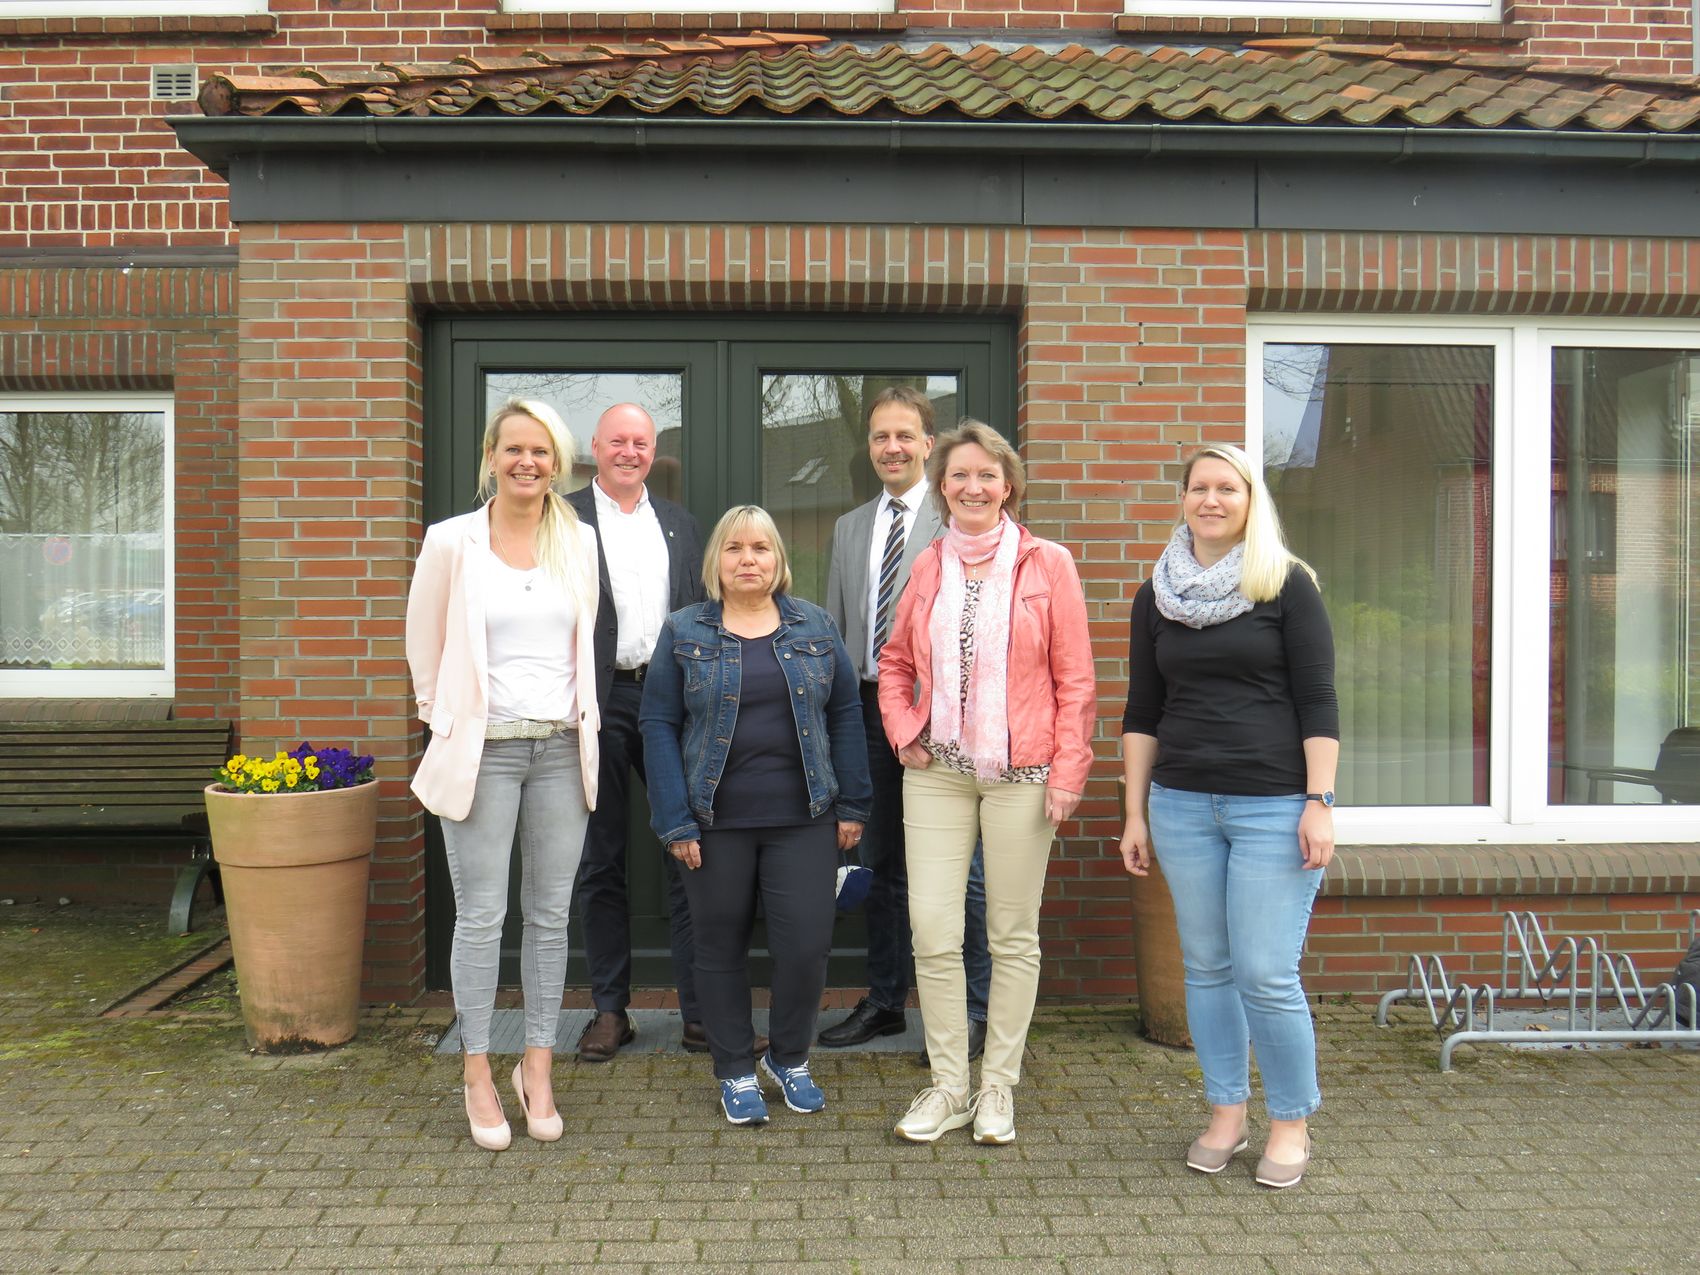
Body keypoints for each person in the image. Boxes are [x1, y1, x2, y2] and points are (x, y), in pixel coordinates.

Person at [1116, 442, 1338, 1190]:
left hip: (1273, 805)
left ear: (1251, 500)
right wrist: (1135, 815)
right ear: (1182, 497)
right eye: (1198, 487)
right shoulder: (1158, 593)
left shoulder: (1285, 583)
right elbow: (1142, 712)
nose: (1211, 499)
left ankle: (1291, 1122)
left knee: (1266, 971)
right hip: (1181, 805)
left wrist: (1319, 801)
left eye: (1227, 488)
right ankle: (1225, 1112)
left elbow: (1319, 701)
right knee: (1207, 969)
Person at [878, 422, 1095, 1145]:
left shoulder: (1049, 564)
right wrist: (903, 731)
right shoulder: (929, 564)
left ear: (1009, 484)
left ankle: (997, 1085)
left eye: (988, 475)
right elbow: (896, 662)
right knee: (934, 930)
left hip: (1024, 776)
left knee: (1011, 934)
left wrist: (1068, 770)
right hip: (937, 772)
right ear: (942, 485)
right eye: (960, 475)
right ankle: (949, 1085)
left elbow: (1076, 680)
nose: (973, 486)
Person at [406, 398, 601, 1151]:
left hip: (557, 749)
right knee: (482, 916)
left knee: (550, 917)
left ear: (558, 463)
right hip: (482, 752)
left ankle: (538, 1066)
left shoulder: (577, 540)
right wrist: (443, 719)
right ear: (491, 456)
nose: (528, 462)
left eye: (542, 451)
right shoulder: (452, 541)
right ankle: (477, 1071)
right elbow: (423, 642)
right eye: (514, 449)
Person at [639, 506, 872, 1125]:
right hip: (714, 821)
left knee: (805, 947)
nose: (749, 559)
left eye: (761, 548)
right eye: (735, 548)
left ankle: (789, 1057)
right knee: (717, 948)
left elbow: (847, 713)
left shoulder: (815, 626)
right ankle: (736, 1068)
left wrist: (853, 803)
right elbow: (657, 723)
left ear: (779, 560)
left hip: (805, 818)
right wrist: (675, 819)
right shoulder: (684, 629)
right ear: (716, 561)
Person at [818, 386, 992, 1062]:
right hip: (866, 712)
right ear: (870, 448)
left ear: (928, 442)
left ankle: (973, 1013)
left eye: (904, 435)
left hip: (942, 717)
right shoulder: (848, 527)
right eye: (879, 437)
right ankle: (887, 1000)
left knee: (961, 869)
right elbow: (835, 633)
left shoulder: (960, 523)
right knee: (881, 862)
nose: (891, 447)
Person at [565, 403, 705, 1062]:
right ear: (595, 446)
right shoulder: (561, 517)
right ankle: (610, 1009)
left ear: (654, 451)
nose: (629, 450)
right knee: (601, 856)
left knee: (690, 850)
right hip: (597, 697)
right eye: (617, 439)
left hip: (670, 695)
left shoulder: (678, 524)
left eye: (640, 441)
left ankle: (701, 1012)